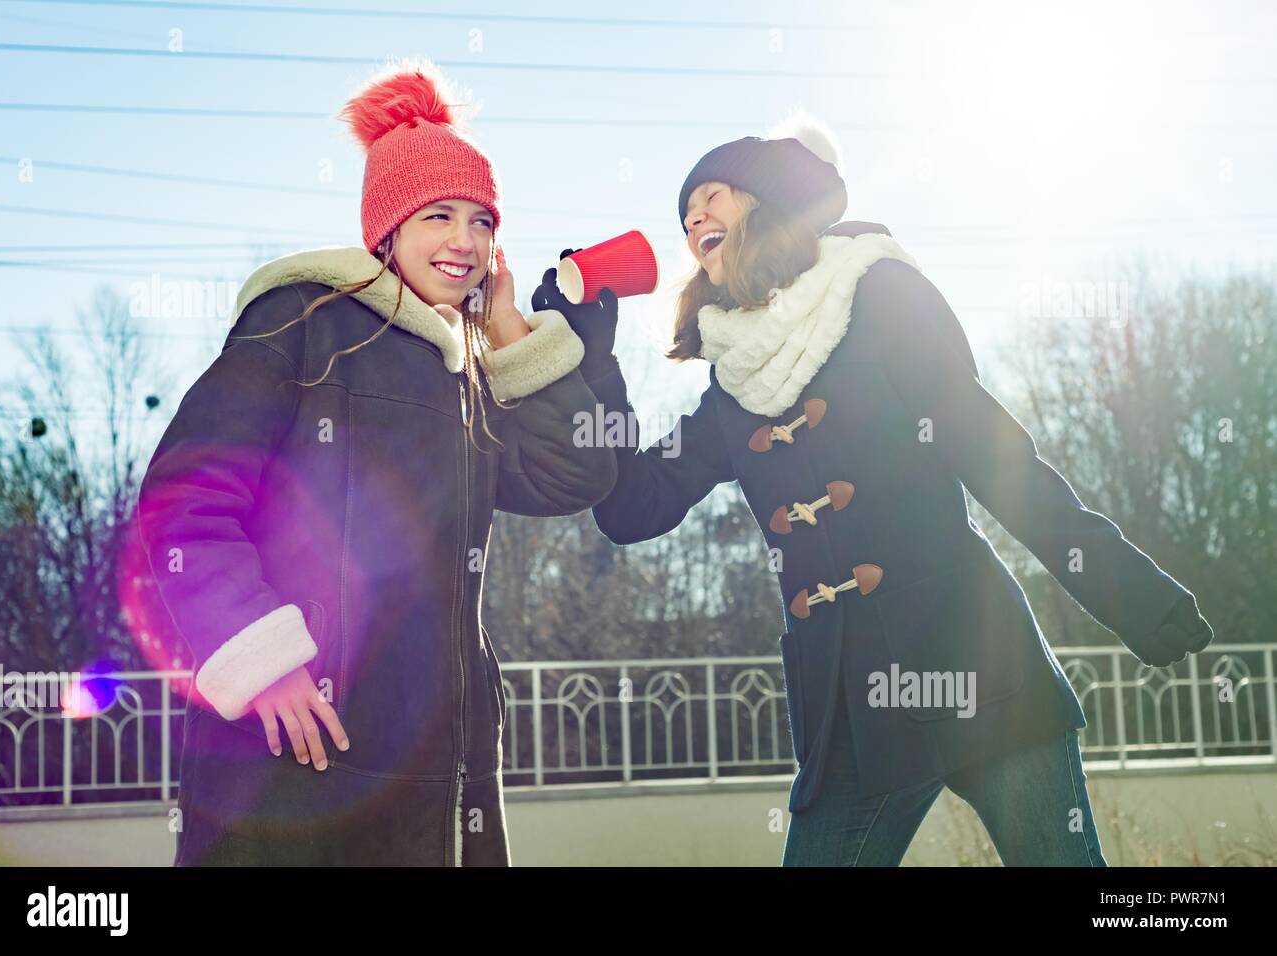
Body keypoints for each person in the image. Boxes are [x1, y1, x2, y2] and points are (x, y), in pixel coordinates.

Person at [534, 113, 1214, 866]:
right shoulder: (734, 385)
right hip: (851, 712)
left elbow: (996, 461)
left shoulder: (880, 293)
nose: (694, 216)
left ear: (767, 202)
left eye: (712, 194)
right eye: (686, 213)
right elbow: (636, 505)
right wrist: (591, 360)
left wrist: (1131, 593)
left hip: (978, 670)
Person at [138, 60, 616, 866]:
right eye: (438, 215)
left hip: (439, 770)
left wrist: (507, 329)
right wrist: (263, 663)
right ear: (388, 228)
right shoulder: (304, 321)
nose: (464, 242)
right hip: (297, 756)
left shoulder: (466, 372)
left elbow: (577, 472)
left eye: (482, 221)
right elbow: (185, 499)